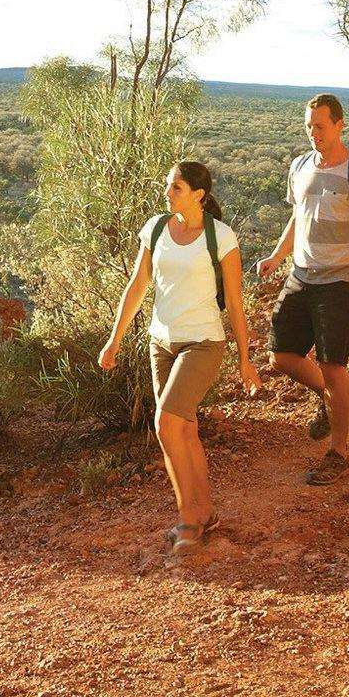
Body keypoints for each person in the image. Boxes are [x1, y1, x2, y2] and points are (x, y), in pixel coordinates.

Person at [94, 157, 254, 563]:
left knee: (166, 424)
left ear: (198, 195)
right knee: (184, 430)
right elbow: (137, 286)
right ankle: (205, 510)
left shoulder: (221, 238)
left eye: (176, 188)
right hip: (161, 342)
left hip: (203, 341)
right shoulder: (157, 228)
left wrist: (244, 359)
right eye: (168, 186)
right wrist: (114, 340)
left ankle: (187, 521)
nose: (167, 193)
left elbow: (234, 303)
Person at [251, 92, 349, 484]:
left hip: (341, 282)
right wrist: (277, 257)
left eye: (320, 125)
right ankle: (330, 401)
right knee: (280, 355)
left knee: (334, 367)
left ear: (339, 125)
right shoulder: (300, 166)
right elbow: (299, 216)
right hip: (302, 276)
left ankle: (340, 451)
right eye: (309, 126)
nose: (314, 133)